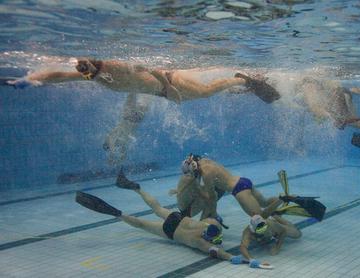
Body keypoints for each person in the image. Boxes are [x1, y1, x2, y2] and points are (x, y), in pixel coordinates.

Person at [7, 58, 281, 165]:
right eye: (84, 71)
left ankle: (243, 79)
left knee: (207, 92)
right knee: (205, 93)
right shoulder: (94, 76)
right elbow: (60, 75)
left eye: (87, 69)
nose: (85, 75)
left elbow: (157, 70)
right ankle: (242, 81)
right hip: (159, 91)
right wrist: (32, 79)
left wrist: (168, 89)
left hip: (169, 83)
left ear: (95, 63)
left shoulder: (116, 67)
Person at [74, 171, 245, 264]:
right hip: (170, 231)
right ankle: (118, 213)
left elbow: (211, 217)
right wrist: (233, 258)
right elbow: (218, 252)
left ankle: (136, 188)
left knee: (156, 207)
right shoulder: (201, 242)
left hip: (177, 218)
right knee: (141, 224)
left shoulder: (211, 223)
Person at [299, 77, 360, 148]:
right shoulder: (314, 82)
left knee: (345, 121)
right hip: (343, 93)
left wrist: (331, 117)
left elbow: (314, 107)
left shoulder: (307, 83)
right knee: (352, 119)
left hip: (339, 93)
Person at [179, 154, 280, 219]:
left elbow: (212, 197)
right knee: (265, 203)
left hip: (239, 190)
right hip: (243, 181)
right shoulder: (205, 161)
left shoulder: (206, 174)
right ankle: (283, 199)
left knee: (260, 217)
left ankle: (283, 199)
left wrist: (213, 214)